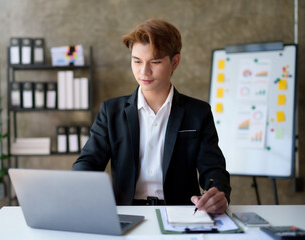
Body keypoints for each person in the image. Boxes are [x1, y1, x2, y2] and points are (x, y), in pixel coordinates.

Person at [72, 18, 231, 214]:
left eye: (155, 62)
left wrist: (216, 192)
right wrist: (78, 186)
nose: (144, 71)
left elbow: (213, 168)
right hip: (125, 212)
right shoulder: (110, 111)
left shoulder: (198, 112)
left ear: (175, 62)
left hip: (180, 213)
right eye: (137, 61)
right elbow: (88, 162)